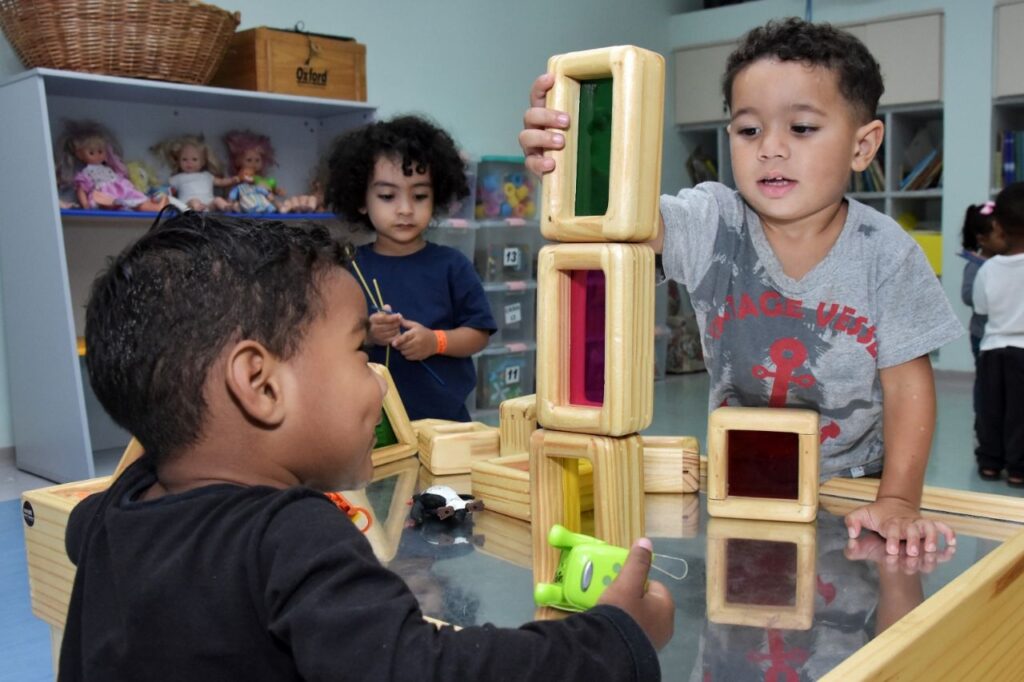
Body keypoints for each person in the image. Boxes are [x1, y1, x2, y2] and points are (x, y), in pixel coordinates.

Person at [60, 211, 674, 681]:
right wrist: (616, 638)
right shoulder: (289, 538)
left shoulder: (116, 513)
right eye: (360, 353)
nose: (377, 383)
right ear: (259, 384)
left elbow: (80, 525)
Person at [520, 18, 963, 555]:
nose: (770, 149)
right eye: (749, 130)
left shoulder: (888, 254)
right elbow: (624, 217)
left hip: (856, 485)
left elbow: (908, 390)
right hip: (742, 483)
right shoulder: (714, 220)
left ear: (863, 146)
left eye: (801, 129)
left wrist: (898, 499)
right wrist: (569, 154)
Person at [326, 114, 496, 421]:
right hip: (372, 421)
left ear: (437, 196)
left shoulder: (452, 265)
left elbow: (478, 334)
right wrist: (368, 335)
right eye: (388, 196)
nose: (405, 209)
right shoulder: (349, 267)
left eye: (419, 195)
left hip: (444, 421)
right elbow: (328, 341)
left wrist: (436, 341)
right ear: (362, 200)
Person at [973, 182, 1024, 487]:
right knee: (1020, 414)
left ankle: (990, 462)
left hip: (992, 349)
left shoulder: (988, 269)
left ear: (998, 224)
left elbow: (981, 308)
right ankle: (1018, 468)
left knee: (990, 409)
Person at [957, 201, 1004, 446]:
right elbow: (967, 296)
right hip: (982, 336)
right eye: (1001, 234)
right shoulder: (976, 266)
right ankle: (982, 422)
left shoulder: (1006, 262)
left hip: (1001, 334)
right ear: (982, 239)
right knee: (985, 382)